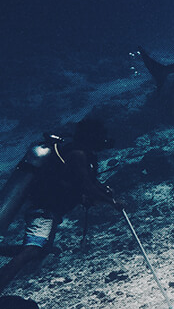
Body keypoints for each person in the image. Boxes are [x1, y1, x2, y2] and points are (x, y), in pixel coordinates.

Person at [0, 119, 118, 294]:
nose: (104, 138)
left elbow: (80, 184)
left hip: (50, 211)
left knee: (41, 252)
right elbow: (86, 186)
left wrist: (99, 192)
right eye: (101, 135)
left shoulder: (79, 153)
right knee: (32, 250)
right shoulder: (78, 154)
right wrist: (112, 202)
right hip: (44, 211)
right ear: (92, 136)